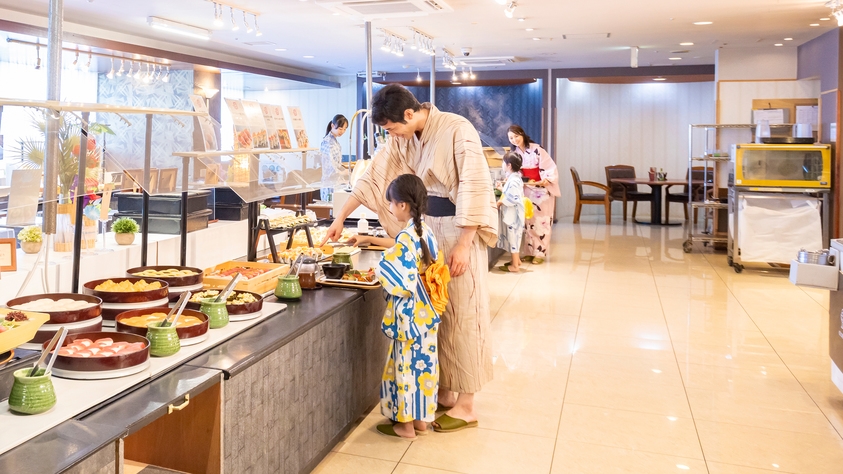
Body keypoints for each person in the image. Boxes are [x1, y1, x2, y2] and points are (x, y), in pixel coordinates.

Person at [323, 84, 497, 433]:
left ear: (408, 113)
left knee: (463, 311)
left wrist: (465, 243)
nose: (391, 135)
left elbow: (474, 184)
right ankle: (445, 391)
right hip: (428, 228)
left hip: (459, 229)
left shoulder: (457, 128)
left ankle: (466, 405)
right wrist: (340, 216)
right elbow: (373, 177)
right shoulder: (403, 137)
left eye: (392, 128)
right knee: (434, 314)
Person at [351, 174, 442, 439]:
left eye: (391, 203)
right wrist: (372, 242)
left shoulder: (406, 237)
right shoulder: (424, 231)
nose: (390, 207)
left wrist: (380, 269)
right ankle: (421, 420)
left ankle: (404, 425)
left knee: (405, 368)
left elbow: (399, 279)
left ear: (402, 205)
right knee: (424, 367)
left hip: (409, 315)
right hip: (427, 312)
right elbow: (408, 250)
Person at [507, 125, 560, 264]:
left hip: (541, 190)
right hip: (526, 189)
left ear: (522, 134)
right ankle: (529, 252)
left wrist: (547, 179)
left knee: (541, 222)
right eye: (511, 138)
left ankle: (540, 254)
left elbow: (549, 166)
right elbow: (513, 171)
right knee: (528, 222)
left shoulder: (537, 149)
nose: (514, 140)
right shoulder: (515, 153)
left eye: (516, 136)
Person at [496, 152, 526, 273]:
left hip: (514, 216)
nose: (502, 164)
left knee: (514, 239)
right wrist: (501, 189)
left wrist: (500, 202)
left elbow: (513, 198)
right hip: (515, 215)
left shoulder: (513, 180)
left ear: (509, 165)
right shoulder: (515, 178)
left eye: (503, 162)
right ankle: (517, 261)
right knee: (516, 238)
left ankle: (514, 266)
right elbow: (512, 193)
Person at [319, 114, 349, 201]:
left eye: (344, 129)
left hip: (335, 182)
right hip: (329, 184)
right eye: (340, 128)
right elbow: (329, 166)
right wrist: (343, 173)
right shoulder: (327, 142)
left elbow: (336, 163)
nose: (342, 131)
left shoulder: (334, 141)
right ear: (332, 125)